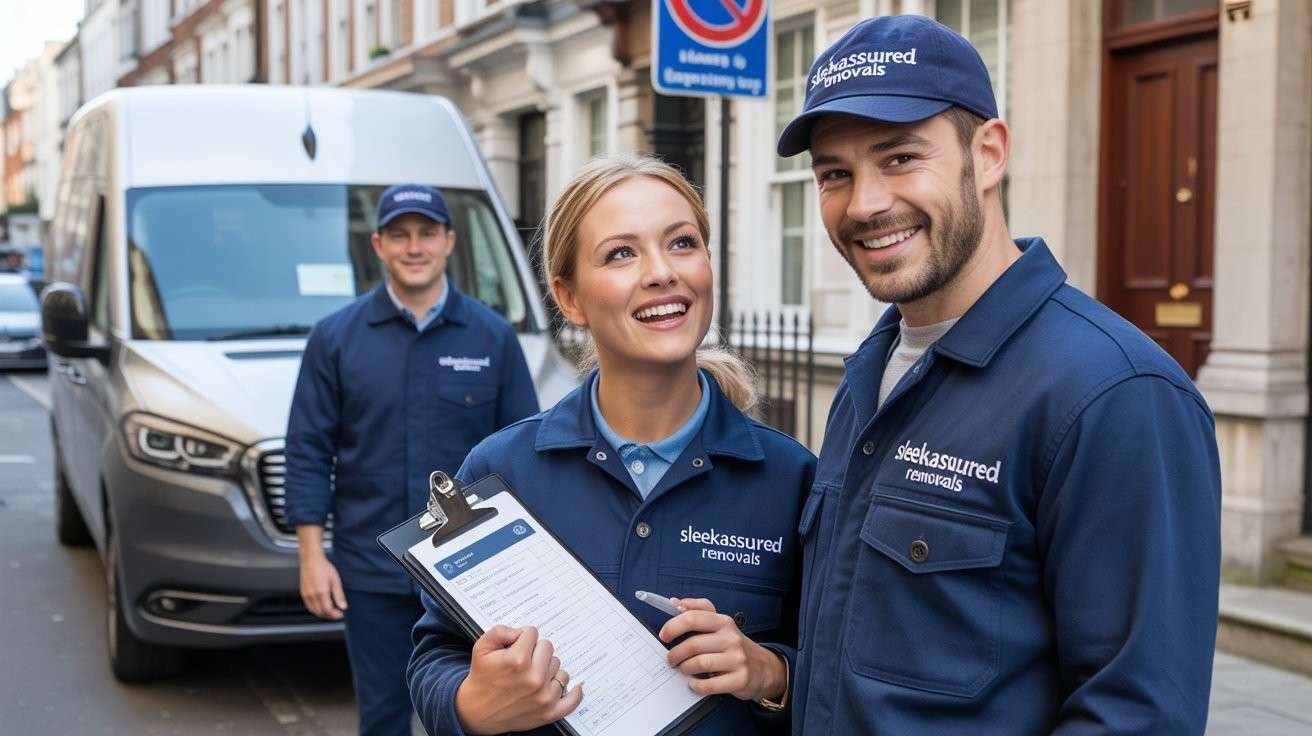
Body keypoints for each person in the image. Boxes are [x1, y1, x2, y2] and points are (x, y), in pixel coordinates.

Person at [774, 14, 1222, 736]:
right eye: (835, 173)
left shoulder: (1115, 395)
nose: (864, 203)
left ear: (988, 155)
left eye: (899, 158)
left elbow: (1136, 716)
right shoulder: (870, 373)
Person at [408, 154, 815, 735]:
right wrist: (471, 703)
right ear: (569, 297)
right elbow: (435, 657)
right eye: (621, 253)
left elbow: (840, 673)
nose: (661, 272)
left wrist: (771, 673)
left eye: (682, 243)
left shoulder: (792, 478)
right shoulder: (499, 471)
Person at [285, 184, 539, 736]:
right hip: (371, 568)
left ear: (449, 241)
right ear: (378, 245)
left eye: (427, 232)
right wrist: (312, 555)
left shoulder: (491, 337)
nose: (414, 246)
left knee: (487, 718)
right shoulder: (336, 338)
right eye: (400, 235)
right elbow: (307, 449)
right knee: (383, 716)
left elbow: (525, 458)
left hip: (473, 569)